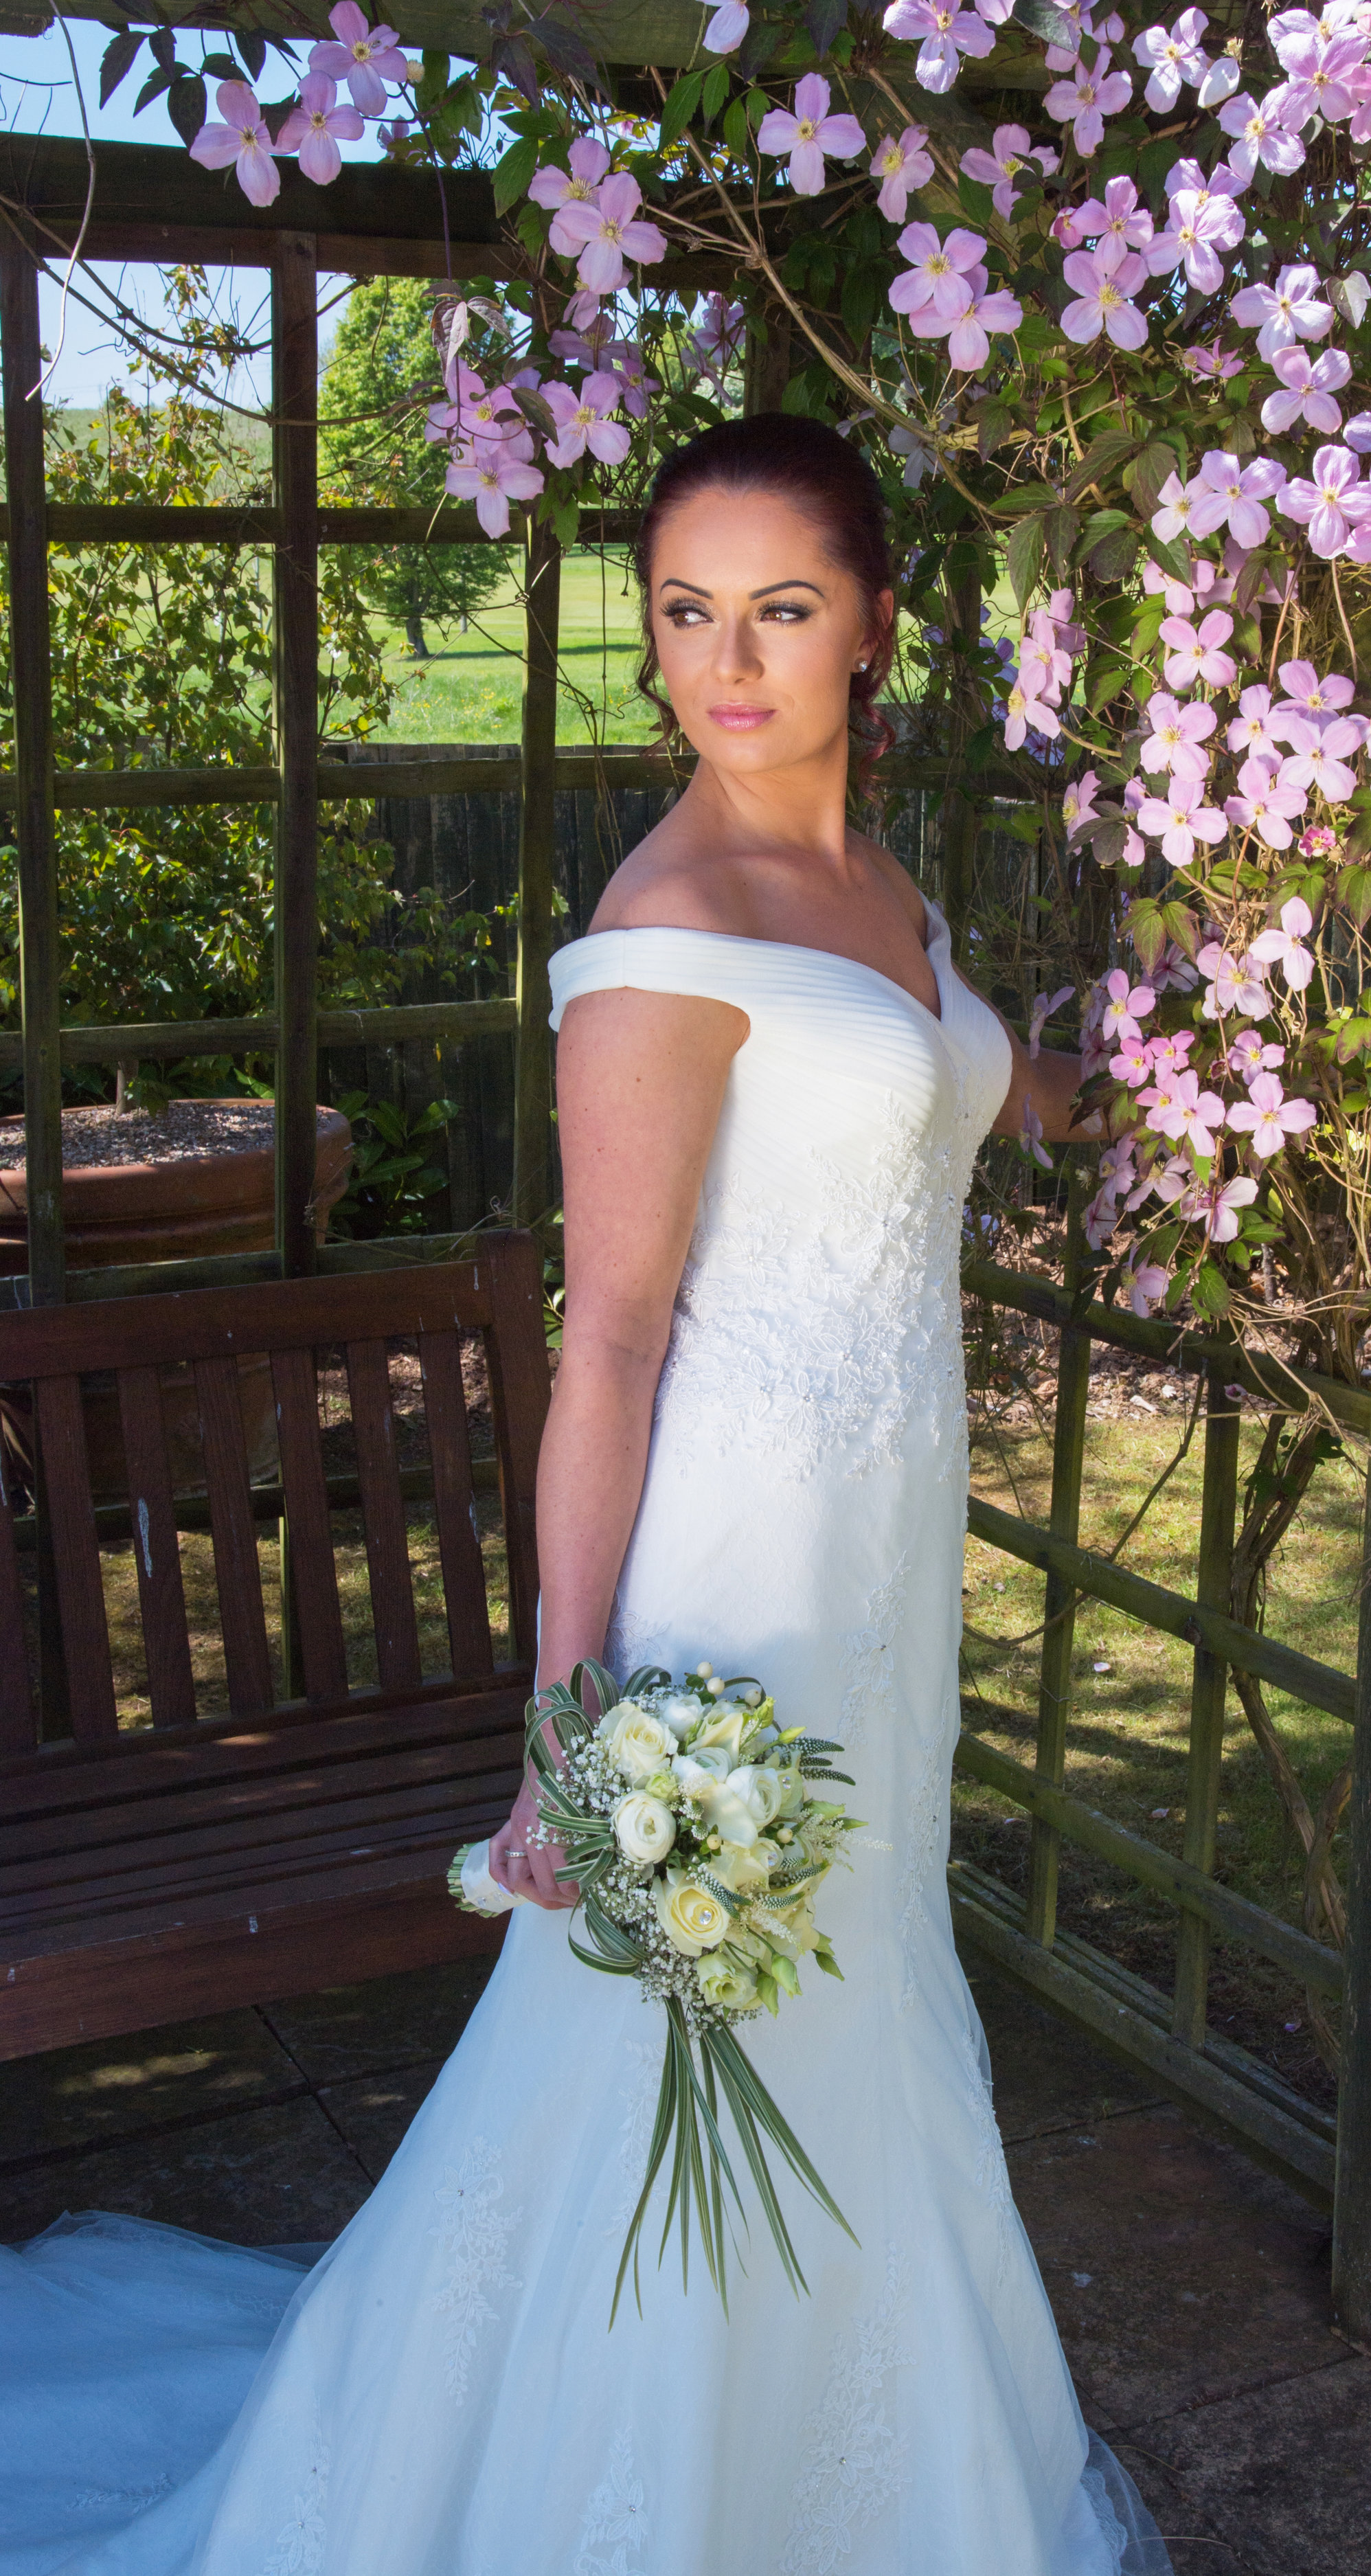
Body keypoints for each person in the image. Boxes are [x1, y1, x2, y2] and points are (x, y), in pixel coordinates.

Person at [0, 413, 1170, 2576]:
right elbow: (611, 1336)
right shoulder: (669, 930)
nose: (727, 662)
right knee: (676, 2032)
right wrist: (568, 1708)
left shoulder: (879, 885)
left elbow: (999, 1086)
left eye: (781, 610)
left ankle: (850, 2442)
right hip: (742, 1579)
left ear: (874, 630)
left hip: (884, 1560)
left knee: (861, 1983)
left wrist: (1212, 1093)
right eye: (688, 615)